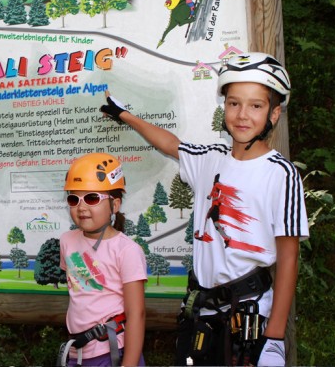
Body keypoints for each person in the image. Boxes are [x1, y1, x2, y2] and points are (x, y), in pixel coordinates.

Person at [99, 52, 309, 366]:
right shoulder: (210, 158)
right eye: (234, 103)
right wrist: (124, 115)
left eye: (256, 105)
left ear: (274, 114)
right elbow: (171, 144)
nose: (242, 115)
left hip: (249, 314)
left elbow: (289, 256)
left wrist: (275, 338)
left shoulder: (281, 174)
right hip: (204, 310)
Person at [58, 152, 147, 367]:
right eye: (74, 198)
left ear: (115, 205)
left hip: (113, 354)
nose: (81, 207)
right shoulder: (67, 241)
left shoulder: (127, 250)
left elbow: (137, 314)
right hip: (76, 354)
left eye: (92, 198)